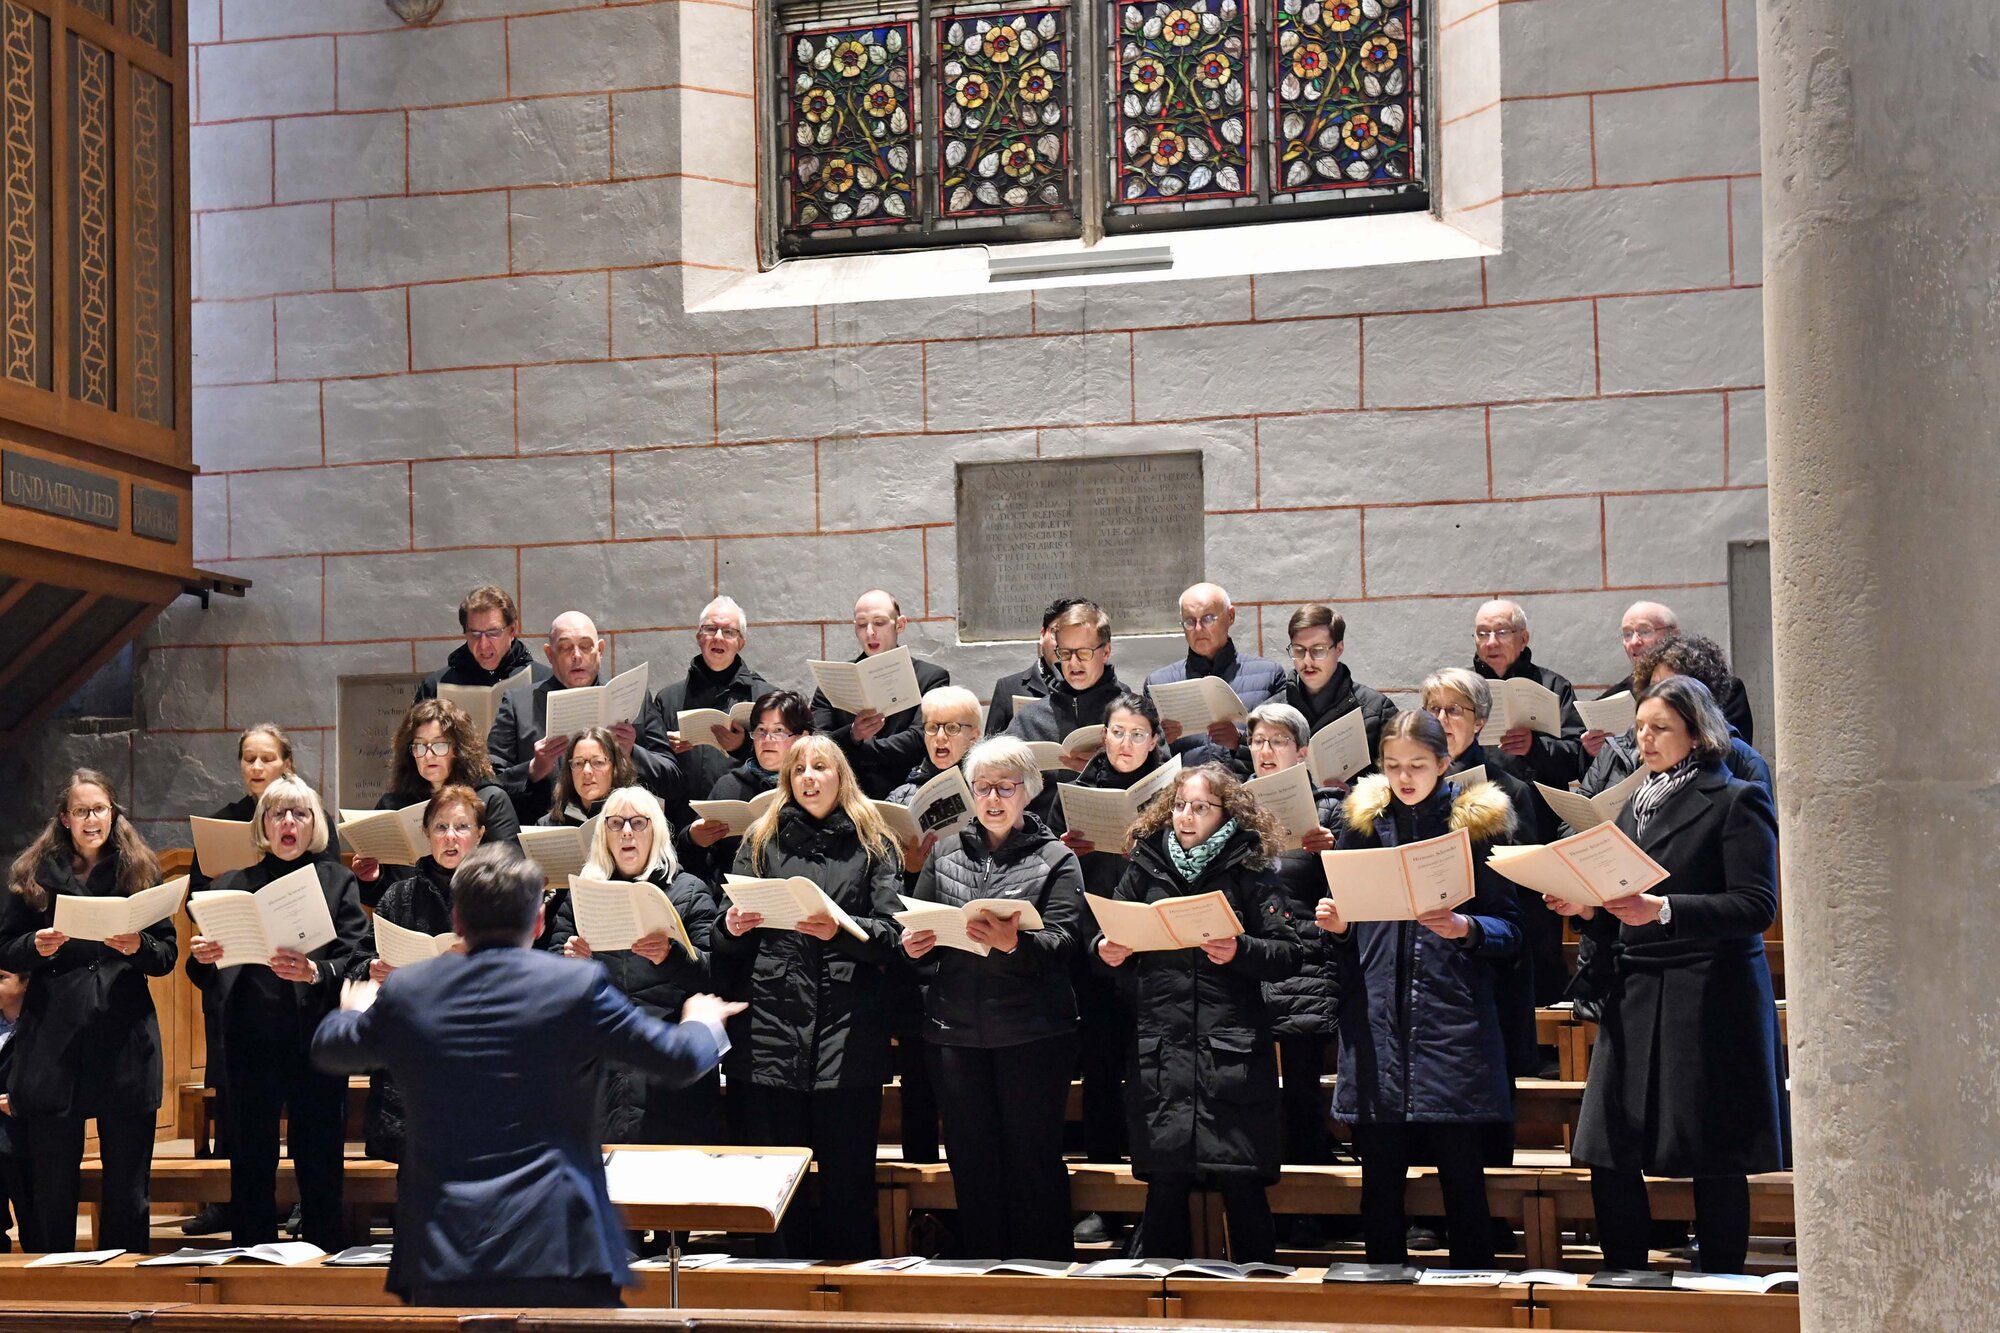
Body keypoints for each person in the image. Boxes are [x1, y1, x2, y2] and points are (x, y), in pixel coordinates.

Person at [311, 844, 740, 1307]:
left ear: (457, 922)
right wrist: (701, 1022)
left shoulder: (411, 991)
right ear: (538, 922)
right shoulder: (575, 986)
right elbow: (675, 1058)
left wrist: (352, 1011)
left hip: (445, 1249)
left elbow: (332, 1050)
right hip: (557, 1247)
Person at [1544, 677, 1783, 1275]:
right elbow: (1623, 902)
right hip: (1636, 985)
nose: (1643, 739)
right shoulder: (1633, 803)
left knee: (1713, 1150)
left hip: (1707, 992)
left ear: (1696, 734)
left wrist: (1667, 909)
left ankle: (1722, 1281)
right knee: (1607, 1145)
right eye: (1640, 727)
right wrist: (1588, 907)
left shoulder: (1736, 800)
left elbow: (1756, 906)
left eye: (1659, 729)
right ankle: (1625, 1272)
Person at [1318, 711, 1522, 1270]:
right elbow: (1349, 932)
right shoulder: (1360, 827)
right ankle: (1384, 1294)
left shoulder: (1476, 828)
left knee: (1461, 1173)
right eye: (1392, 766)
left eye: (1417, 765)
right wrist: (1338, 925)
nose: (1404, 777)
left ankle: (1475, 1290)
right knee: (1379, 1176)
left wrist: (1466, 928)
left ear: (1444, 764)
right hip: (1376, 1017)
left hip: (1449, 1020)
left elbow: (1512, 930)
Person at [1095, 763, 1301, 1263]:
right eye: (1181, 805)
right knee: (1164, 1186)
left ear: (1227, 814)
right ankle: (1163, 1304)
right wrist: (1108, 950)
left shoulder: (1250, 866)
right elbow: (1113, 940)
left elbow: (1290, 952)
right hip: (1162, 1051)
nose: (1187, 816)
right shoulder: (1145, 865)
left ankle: (1261, 1305)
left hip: (1227, 1051)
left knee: (1241, 1183)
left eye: (1201, 807)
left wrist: (1240, 950)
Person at [712, 736, 904, 1258]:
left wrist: (839, 929)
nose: (809, 778)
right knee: (776, 1184)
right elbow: (721, 937)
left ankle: (851, 1291)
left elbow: (895, 935)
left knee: (848, 1182)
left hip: (848, 1033)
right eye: (799, 770)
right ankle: (779, 1291)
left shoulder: (874, 842)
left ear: (841, 777)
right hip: (773, 1031)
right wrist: (731, 924)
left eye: (821, 767)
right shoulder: (761, 838)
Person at [900, 738, 1084, 1259]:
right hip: (954, 1033)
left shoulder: (1057, 859)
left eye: (1005, 788)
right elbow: (924, 935)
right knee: (971, 1159)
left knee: (1032, 1160)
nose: (993, 799)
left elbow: (1066, 944)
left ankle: (1044, 1273)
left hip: (1032, 1034)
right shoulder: (945, 852)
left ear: (1028, 792)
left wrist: (1013, 944)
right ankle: (983, 1272)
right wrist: (914, 946)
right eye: (982, 788)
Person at [187, 775, 368, 1250]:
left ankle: (324, 1258)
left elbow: (354, 957)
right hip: (250, 1043)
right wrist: (201, 956)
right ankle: (252, 1258)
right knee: (250, 1161)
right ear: (262, 825)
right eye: (278, 814)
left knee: (320, 1159)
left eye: (300, 814)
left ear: (314, 826)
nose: (289, 822)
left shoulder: (336, 881)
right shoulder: (231, 885)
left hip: (316, 1045)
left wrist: (314, 971)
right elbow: (201, 972)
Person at [0, 771, 174, 1254]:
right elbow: (6, 949)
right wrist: (35, 945)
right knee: (53, 1177)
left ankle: (125, 1279)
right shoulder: (34, 874)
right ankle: (58, 1282)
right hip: (56, 1036)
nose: (91, 819)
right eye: (81, 811)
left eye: (99, 809)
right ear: (64, 819)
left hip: (123, 1034)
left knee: (127, 1180)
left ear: (113, 813)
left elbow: (166, 957)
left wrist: (138, 945)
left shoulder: (138, 871)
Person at [185, 722, 323, 1238]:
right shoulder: (224, 826)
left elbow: (334, 919)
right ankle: (243, 1219)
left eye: (267, 758)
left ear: (286, 762)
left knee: (311, 1128)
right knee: (244, 1116)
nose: (257, 767)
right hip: (242, 988)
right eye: (249, 759)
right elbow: (198, 902)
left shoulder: (313, 836)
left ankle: (313, 1217)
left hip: (301, 1003)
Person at [548, 786, 724, 1145]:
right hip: (601, 1063)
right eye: (616, 823)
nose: (626, 831)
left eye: (638, 822)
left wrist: (670, 957)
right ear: (604, 836)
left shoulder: (689, 891)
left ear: (656, 831)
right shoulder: (583, 895)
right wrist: (569, 964)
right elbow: (550, 981)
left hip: (668, 1063)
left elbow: (716, 976)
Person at [343, 784, 485, 1162]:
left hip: (478, 1058)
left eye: (462, 827)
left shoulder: (499, 897)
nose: (450, 838)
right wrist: (373, 969)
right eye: (440, 828)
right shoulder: (398, 896)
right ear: (426, 834)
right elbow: (357, 963)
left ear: (480, 834)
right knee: (415, 1194)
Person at [879, 684, 987, 1166]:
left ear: (977, 733)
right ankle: (921, 1194)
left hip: (975, 957)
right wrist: (905, 864)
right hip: (922, 961)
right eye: (931, 727)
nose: (940, 738)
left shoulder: (991, 789)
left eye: (953, 728)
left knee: (970, 1098)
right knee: (919, 1085)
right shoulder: (904, 793)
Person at [1420, 668, 1543, 1086]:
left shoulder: (1509, 789)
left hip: (1488, 953)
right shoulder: (1401, 792)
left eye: (1454, 710)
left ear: (1479, 722)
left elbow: (1524, 880)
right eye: (1432, 708)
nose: (1440, 719)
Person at [1240, 703, 1346, 1181]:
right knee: (1255, 1086)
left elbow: (1352, 885)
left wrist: (1332, 851)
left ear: (1302, 752)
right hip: (1248, 956)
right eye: (1258, 741)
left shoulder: (1328, 810)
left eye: (1278, 741)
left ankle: (1311, 1191)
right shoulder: (1233, 809)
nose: (1266, 750)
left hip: (1305, 960)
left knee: (1302, 1087)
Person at [1470, 599, 1585, 1005]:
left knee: (1538, 933)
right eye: (1483, 633)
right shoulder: (1463, 687)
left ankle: (1543, 1042)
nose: (1491, 641)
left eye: (1501, 632)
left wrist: (1536, 748)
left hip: (1535, 824)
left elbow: (1579, 756)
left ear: (1524, 637)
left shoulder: (1553, 687)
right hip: (1476, 824)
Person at [486, 612, 686, 826]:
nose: (577, 656)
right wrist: (534, 769)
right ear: (549, 654)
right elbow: (489, 783)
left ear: (600, 650)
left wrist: (632, 752)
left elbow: (673, 781)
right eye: (565, 648)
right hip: (546, 835)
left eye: (585, 646)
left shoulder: (633, 698)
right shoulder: (519, 704)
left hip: (620, 835)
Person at [353, 698, 521, 908]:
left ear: (459, 749)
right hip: (409, 922)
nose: (428, 755)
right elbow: (382, 898)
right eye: (420, 746)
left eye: (439, 744)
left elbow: (512, 876)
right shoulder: (392, 806)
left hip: (474, 919)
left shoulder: (489, 799)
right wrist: (371, 879)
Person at [1578, 634, 1772, 801]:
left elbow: (1754, 839)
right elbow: (1569, 825)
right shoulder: (1618, 748)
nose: (1659, 697)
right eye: (1654, 686)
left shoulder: (1743, 761)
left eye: (1672, 688)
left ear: (1700, 697)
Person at [811, 590, 951, 798]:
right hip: (845, 796)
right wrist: (853, 734)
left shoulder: (931, 678)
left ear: (900, 624)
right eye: (861, 624)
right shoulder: (832, 679)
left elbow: (921, 737)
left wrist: (857, 746)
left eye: (879, 622)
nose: (870, 632)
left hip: (907, 790)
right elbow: (817, 742)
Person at [639, 596, 776, 800]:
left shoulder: (768, 699)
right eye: (710, 629)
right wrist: (665, 749)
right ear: (699, 636)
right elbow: (654, 771)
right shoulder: (667, 699)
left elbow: (785, 765)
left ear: (741, 643)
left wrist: (742, 747)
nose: (718, 637)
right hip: (685, 823)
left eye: (729, 631)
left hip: (749, 821)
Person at [677, 690, 813, 889]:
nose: (767, 739)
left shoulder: (815, 787)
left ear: (803, 737)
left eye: (778, 731)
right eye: (760, 730)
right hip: (736, 899)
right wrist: (692, 840)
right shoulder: (729, 786)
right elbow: (698, 866)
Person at [1587, 602, 1753, 754]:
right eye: (1627, 634)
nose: (1634, 642)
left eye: (1644, 631)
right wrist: (1592, 751)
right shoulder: (1616, 695)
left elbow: (1734, 752)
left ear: (1674, 634)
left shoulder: (1721, 687)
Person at [1142, 582, 1285, 752]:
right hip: (1184, 778)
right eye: (1189, 621)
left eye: (1207, 619)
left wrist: (1238, 742)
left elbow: (1284, 749)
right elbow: (1148, 757)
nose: (1198, 628)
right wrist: (1163, 740)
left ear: (1230, 616)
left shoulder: (1269, 676)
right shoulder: (1158, 684)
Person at [1008, 600, 1128, 794]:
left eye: (1083, 653)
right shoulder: (1029, 718)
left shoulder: (1136, 713)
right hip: (1047, 823)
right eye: (1065, 653)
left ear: (1106, 652)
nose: (1073, 663)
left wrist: (1106, 770)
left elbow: (1159, 783)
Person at [1275, 603, 1398, 773]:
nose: (1307, 661)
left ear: (1339, 648)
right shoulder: (1270, 711)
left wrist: (1353, 793)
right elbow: (1246, 778)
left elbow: (1395, 779)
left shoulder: (1378, 710)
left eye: (1318, 650)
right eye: (1299, 650)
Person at [414, 584, 552, 704]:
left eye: (493, 633)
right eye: (474, 634)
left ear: (512, 629)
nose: (483, 645)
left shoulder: (544, 682)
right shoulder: (435, 687)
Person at [984, 596, 1084, 736]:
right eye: (1057, 633)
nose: (1064, 643)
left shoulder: (1108, 690)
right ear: (1042, 634)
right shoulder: (1008, 688)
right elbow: (989, 752)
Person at [0, 967, 27, 1252]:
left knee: (35, 1222)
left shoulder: (41, 1026)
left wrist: (21, 1099)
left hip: (25, 1138)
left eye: (1, 978)